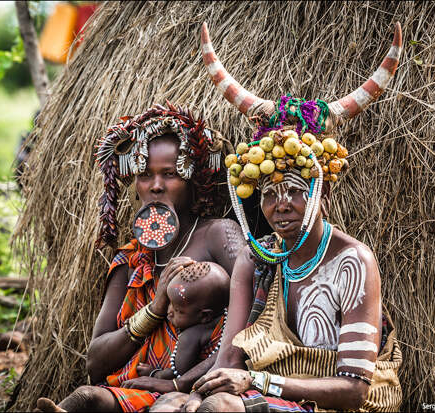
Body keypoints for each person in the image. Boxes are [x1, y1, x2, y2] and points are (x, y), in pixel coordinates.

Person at [158, 22, 405, 412]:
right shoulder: (256, 258)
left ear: (320, 191)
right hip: (263, 394)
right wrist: (187, 395)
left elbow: (355, 390)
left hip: (333, 405)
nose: (280, 205)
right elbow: (229, 362)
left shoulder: (353, 262)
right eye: (269, 194)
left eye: (294, 190)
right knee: (175, 405)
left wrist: (257, 381)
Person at [35, 103, 243, 412]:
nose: (156, 186)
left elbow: (258, 319)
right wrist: (157, 307)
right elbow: (96, 363)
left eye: (170, 174)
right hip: (135, 389)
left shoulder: (218, 235)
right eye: (145, 175)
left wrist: (180, 383)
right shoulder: (132, 259)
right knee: (86, 397)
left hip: (199, 388)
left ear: (194, 181)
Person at [37, 261, 230, 412]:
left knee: (86, 397)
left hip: (179, 396)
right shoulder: (221, 320)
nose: (168, 312)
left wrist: (157, 376)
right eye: (169, 303)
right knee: (85, 397)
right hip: (176, 391)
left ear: (204, 315)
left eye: (177, 310)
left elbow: (178, 372)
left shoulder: (191, 336)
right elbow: (94, 362)